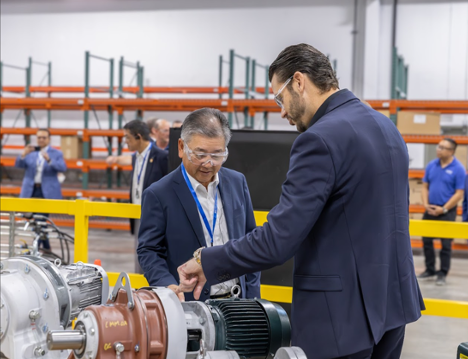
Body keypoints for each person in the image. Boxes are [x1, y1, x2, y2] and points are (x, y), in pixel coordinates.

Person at [177, 44, 424, 359]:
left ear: (298, 81)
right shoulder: (386, 128)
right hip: (392, 308)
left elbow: (278, 241)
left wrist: (206, 261)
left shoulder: (318, 140)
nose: (281, 111)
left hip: (340, 321)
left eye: (279, 98)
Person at [137, 108, 261, 302]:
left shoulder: (237, 182)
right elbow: (149, 250)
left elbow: (250, 241)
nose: (208, 163)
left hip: (239, 302)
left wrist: (253, 299)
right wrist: (168, 286)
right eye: (200, 154)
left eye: (217, 155)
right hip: (189, 304)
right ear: (181, 147)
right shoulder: (159, 193)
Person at [123, 119, 169, 273]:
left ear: (139, 137)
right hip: (137, 214)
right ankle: (140, 292)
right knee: (139, 254)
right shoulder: (135, 157)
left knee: (152, 255)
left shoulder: (162, 157)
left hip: (155, 216)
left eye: (128, 137)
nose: (126, 142)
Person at [418, 138, 466, 285]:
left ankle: (443, 272)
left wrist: (444, 208)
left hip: (447, 211)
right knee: (426, 241)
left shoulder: (458, 169)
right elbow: (425, 186)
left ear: (451, 151)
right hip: (430, 209)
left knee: (446, 244)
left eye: (442, 147)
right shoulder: (432, 165)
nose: (438, 149)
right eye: (438, 146)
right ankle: (430, 269)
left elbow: (459, 193)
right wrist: (426, 204)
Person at [15, 128, 67, 249]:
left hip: (47, 191)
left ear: (49, 139)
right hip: (31, 190)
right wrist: (23, 154)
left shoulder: (56, 153)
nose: (41, 140)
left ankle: (36, 249)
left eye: (44, 137)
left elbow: (63, 167)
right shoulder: (30, 152)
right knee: (36, 222)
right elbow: (18, 165)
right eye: (39, 137)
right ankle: (46, 248)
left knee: (40, 220)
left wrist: (49, 160)